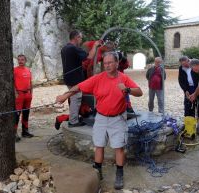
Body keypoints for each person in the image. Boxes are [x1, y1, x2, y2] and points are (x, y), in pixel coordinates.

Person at [56, 51, 143, 190]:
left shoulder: (123, 78)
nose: (107, 65)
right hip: (101, 117)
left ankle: (119, 173)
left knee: (119, 147)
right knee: (99, 145)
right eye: (105, 63)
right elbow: (79, 86)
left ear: (117, 63)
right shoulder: (98, 78)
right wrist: (64, 96)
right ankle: (98, 171)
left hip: (118, 118)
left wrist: (127, 90)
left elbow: (139, 92)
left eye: (110, 62)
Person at [61, 30, 100, 127]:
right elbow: (90, 57)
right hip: (75, 79)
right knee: (76, 98)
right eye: (80, 38)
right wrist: (95, 46)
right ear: (76, 37)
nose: (81, 40)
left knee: (73, 97)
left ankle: (74, 118)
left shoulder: (64, 48)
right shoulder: (74, 48)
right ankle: (73, 121)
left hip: (67, 78)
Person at [178, 56, 199, 135]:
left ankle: (198, 126)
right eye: (182, 65)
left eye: (185, 64)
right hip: (188, 88)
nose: (184, 66)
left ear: (188, 61)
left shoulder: (195, 65)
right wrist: (185, 90)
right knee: (188, 106)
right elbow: (181, 80)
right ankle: (188, 124)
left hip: (198, 87)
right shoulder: (181, 68)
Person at [14, 54, 34, 142]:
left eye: (22, 59)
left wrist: (31, 93)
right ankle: (14, 133)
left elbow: (31, 82)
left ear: (25, 61)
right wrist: (15, 93)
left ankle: (25, 131)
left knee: (26, 113)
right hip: (19, 94)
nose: (20, 61)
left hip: (28, 95)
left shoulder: (28, 70)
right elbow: (12, 82)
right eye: (19, 60)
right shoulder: (14, 70)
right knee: (17, 114)